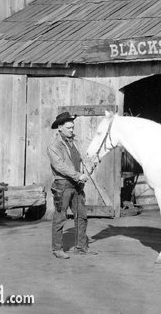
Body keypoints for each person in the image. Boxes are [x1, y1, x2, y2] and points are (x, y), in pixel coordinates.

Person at [47, 111, 97, 259]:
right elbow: (60, 165)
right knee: (60, 217)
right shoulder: (54, 146)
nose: (72, 130)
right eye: (69, 128)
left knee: (82, 216)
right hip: (62, 185)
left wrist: (88, 166)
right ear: (60, 128)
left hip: (76, 186)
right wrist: (78, 175)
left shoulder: (73, 142)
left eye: (73, 127)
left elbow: (79, 161)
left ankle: (81, 247)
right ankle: (57, 249)